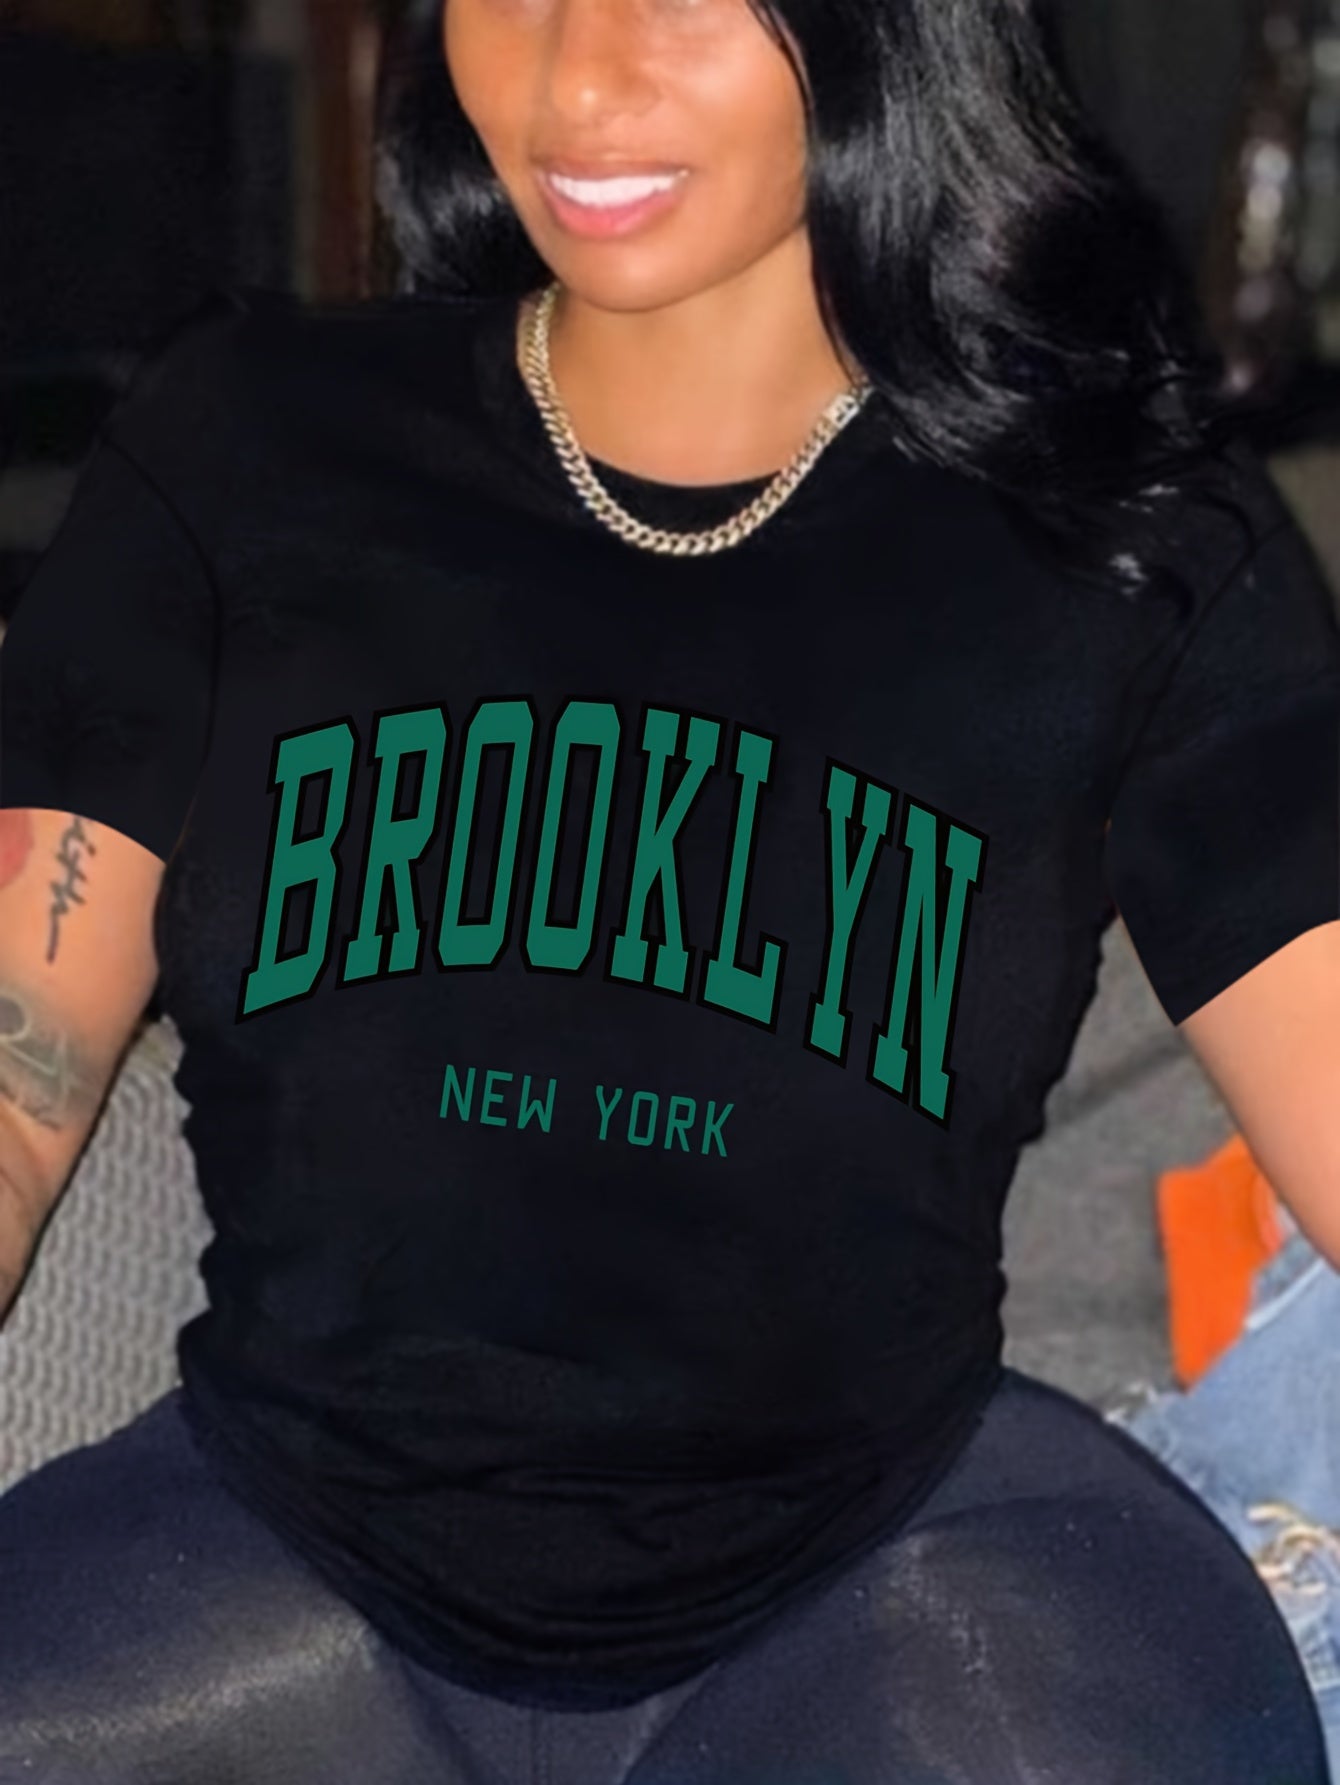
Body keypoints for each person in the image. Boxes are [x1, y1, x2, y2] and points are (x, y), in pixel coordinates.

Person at [0, 0, 1338, 1776]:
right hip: (273, 1564)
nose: (578, 75)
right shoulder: (244, 445)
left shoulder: (1134, 541)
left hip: (903, 1605)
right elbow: (17, 1075)